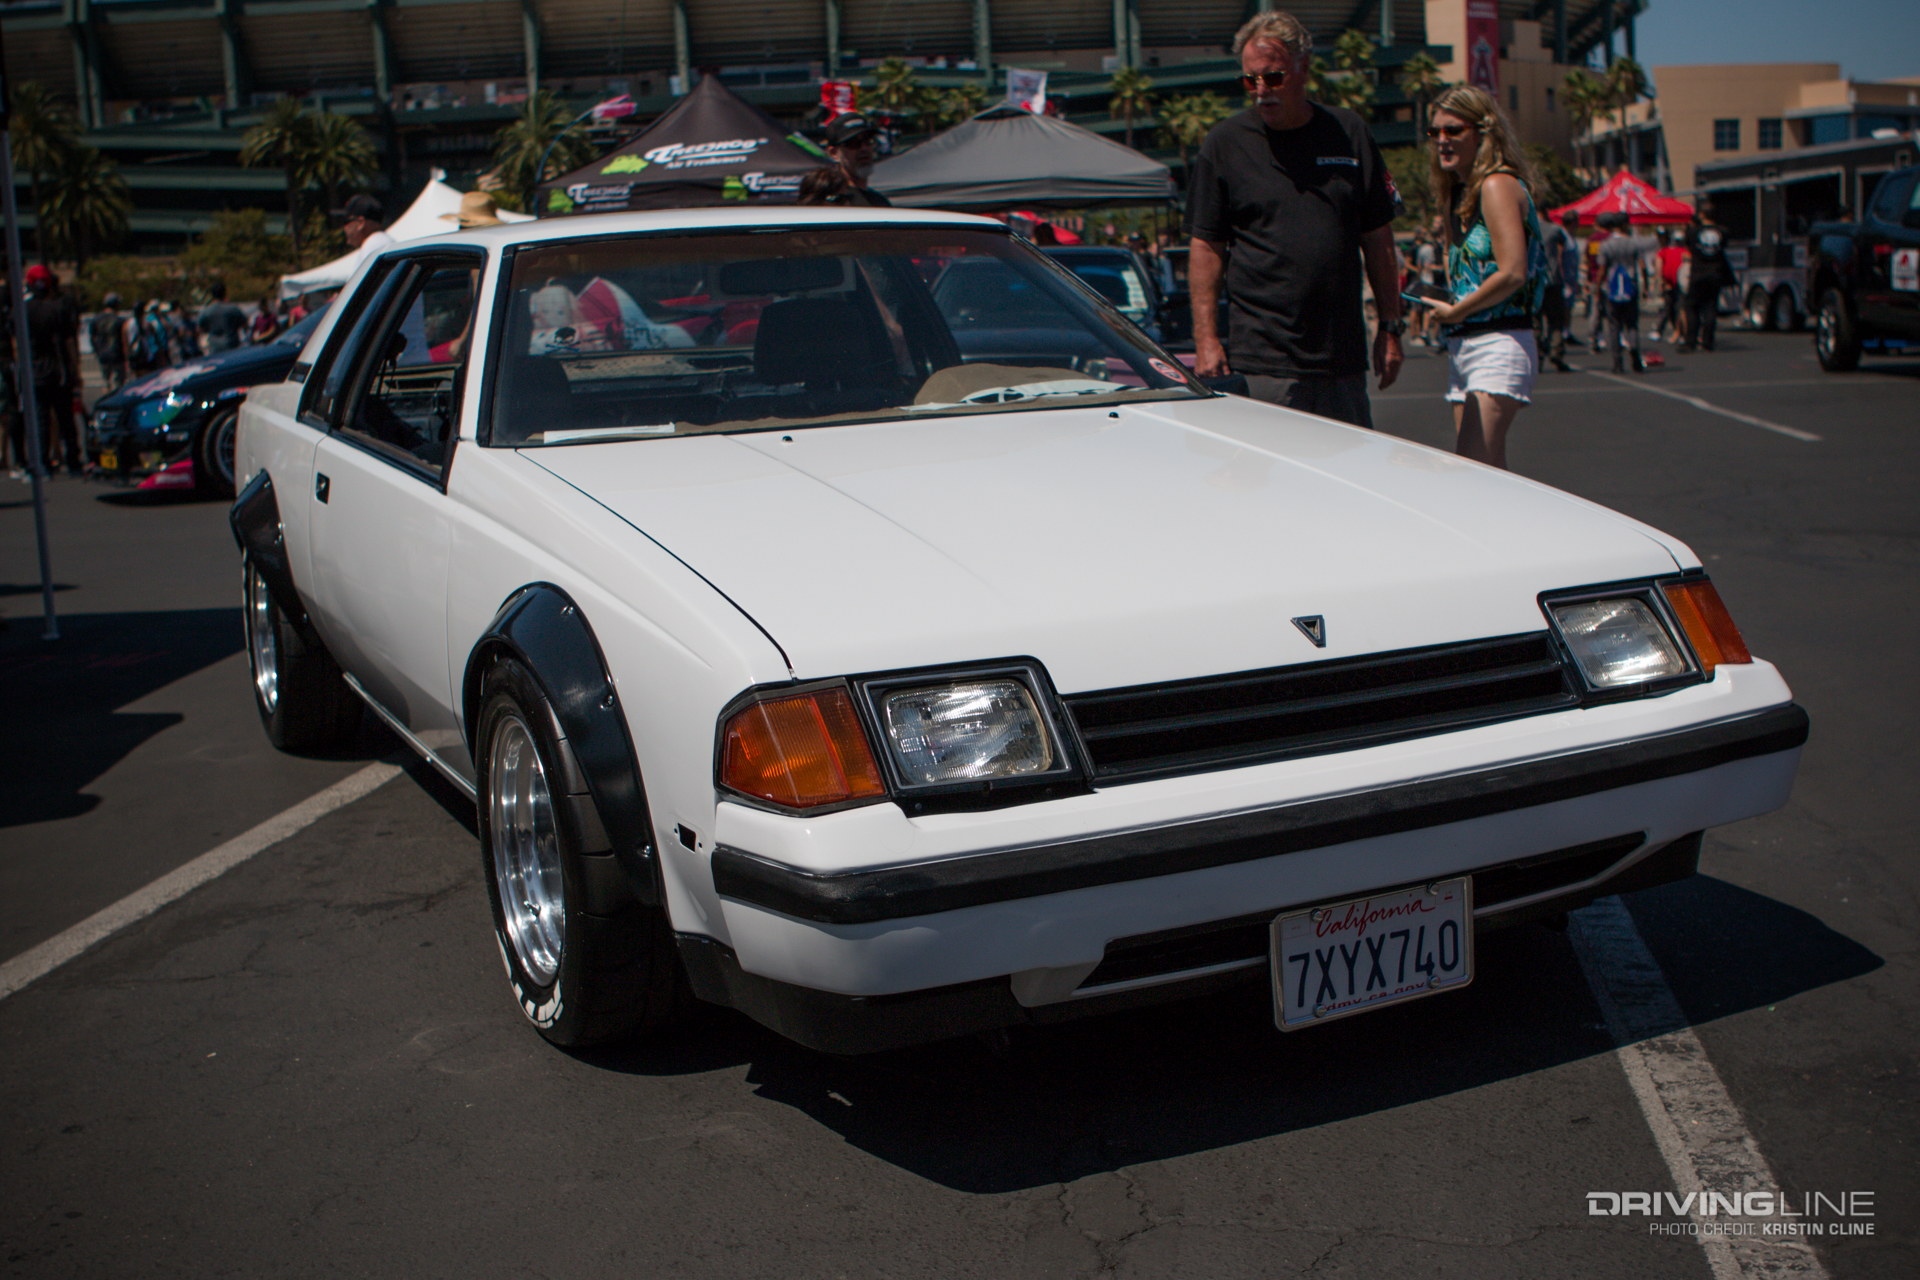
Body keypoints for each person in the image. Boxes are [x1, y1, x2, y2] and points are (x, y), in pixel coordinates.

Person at [1186, 9, 1403, 427]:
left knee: (1349, 479)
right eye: (1251, 80)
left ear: (1303, 68)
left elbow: (1378, 237)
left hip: (1340, 359)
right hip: (1265, 361)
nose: (1261, 90)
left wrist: (1391, 328)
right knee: (1274, 486)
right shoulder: (1225, 144)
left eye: (1274, 77)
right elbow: (1206, 246)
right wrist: (1206, 338)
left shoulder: (1348, 132)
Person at [1416, 85, 1548, 471]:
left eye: (1454, 130)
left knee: (1473, 473)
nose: (1442, 140)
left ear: (1483, 132)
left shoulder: (1496, 184)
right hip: (1465, 344)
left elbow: (1513, 271)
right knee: (1482, 474)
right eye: (1435, 132)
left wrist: (1456, 311)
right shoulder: (1457, 191)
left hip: (1499, 340)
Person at [23, 264, 83, 476]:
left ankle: (42, 463)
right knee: (66, 418)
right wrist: (75, 370)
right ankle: (73, 461)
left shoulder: (24, 310)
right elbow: (69, 341)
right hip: (60, 371)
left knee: (41, 420)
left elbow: (16, 344)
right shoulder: (59, 307)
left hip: (35, 372)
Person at [1593, 210, 1656, 373]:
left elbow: (1602, 269)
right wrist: (1645, 286)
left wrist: (1597, 288)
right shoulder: (1633, 244)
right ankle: (1634, 349)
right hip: (1630, 285)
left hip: (1612, 288)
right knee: (1631, 323)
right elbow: (1642, 265)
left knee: (1614, 325)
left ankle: (1617, 361)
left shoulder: (1606, 245)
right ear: (1625, 225)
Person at [1678, 202, 1734, 353]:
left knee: (1692, 307)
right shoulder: (1723, 232)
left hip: (1698, 273)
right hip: (1716, 273)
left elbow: (1688, 247)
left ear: (1701, 215)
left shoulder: (1693, 232)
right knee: (1710, 308)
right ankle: (1708, 342)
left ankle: (1691, 341)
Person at [1536, 210, 1578, 372]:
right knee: (1556, 321)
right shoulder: (1554, 229)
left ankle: (1537, 355)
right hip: (1552, 280)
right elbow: (1563, 249)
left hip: (1534, 282)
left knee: (1535, 321)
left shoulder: (1524, 227)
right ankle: (1556, 352)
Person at [821, 114, 892, 207]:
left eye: (868, 141)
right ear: (834, 153)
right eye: (853, 143)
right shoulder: (832, 203)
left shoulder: (880, 202)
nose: (863, 148)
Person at [89, 292, 129, 392]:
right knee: (119, 384)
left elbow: (93, 338)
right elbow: (124, 340)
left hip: (103, 355)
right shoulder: (120, 320)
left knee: (106, 383)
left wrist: (97, 352)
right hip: (117, 355)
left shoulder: (96, 320)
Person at [123, 299, 171, 378]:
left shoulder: (146, 323)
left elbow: (156, 340)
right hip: (137, 355)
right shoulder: (129, 324)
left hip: (146, 355)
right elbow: (126, 343)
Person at [1656, 229, 1688, 345]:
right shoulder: (1684, 252)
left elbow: (1659, 267)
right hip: (1677, 284)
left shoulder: (1665, 251)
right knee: (1677, 309)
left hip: (1674, 284)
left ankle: (1679, 332)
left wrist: (1660, 281)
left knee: (1676, 309)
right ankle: (1680, 332)